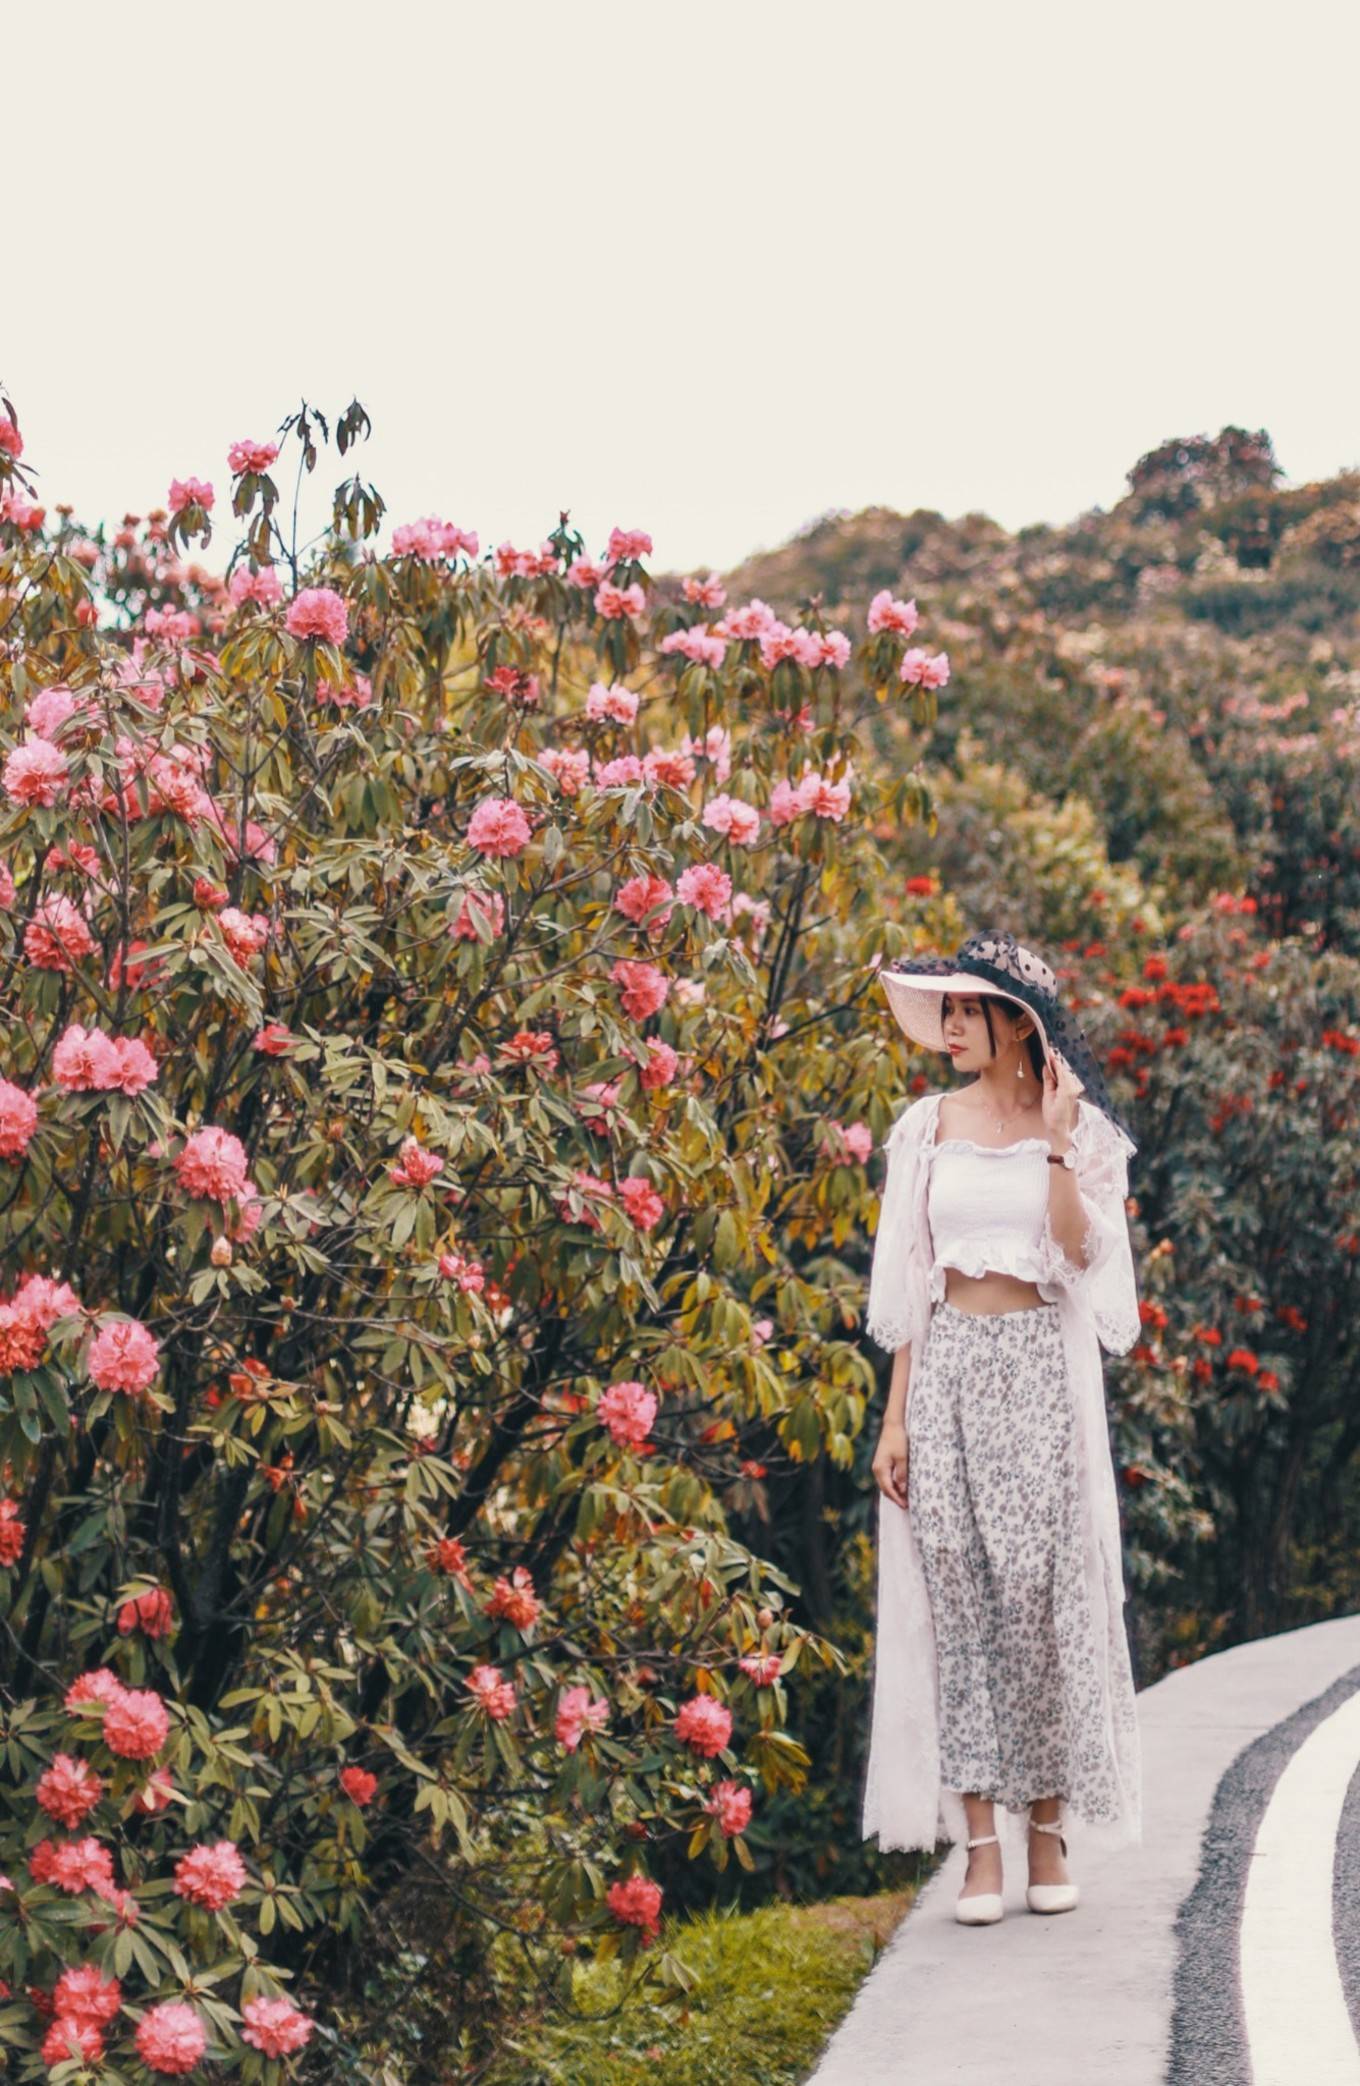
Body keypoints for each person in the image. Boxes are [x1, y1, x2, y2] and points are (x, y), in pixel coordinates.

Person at [859, 930, 1143, 1925]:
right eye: (942, 1010)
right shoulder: (922, 1128)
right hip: (942, 1382)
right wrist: (893, 1422)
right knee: (960, 1604)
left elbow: (1078, 1258)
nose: (947, 1028)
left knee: (1037, 1602)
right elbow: (910, 1281)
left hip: (1034, 1373)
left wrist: (1059, 1139)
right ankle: (979, 1849)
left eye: (965, 1010)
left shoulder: (1081, 1135)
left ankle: (1047, 1833)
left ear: (1015, 1022)